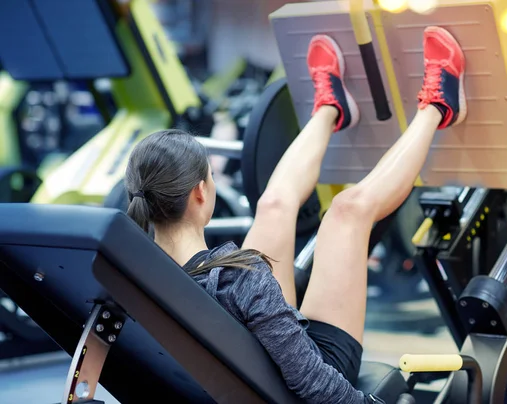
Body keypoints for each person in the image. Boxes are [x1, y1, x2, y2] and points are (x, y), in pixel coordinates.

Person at [124, 26, 466, 404]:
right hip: (307, 379)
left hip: (266, 366)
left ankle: (331, 108)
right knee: (348, 211)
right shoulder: (240, 279)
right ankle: (439, 104)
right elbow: (316, 386)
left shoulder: (135, 277)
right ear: (201, 192)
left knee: (273, 205)